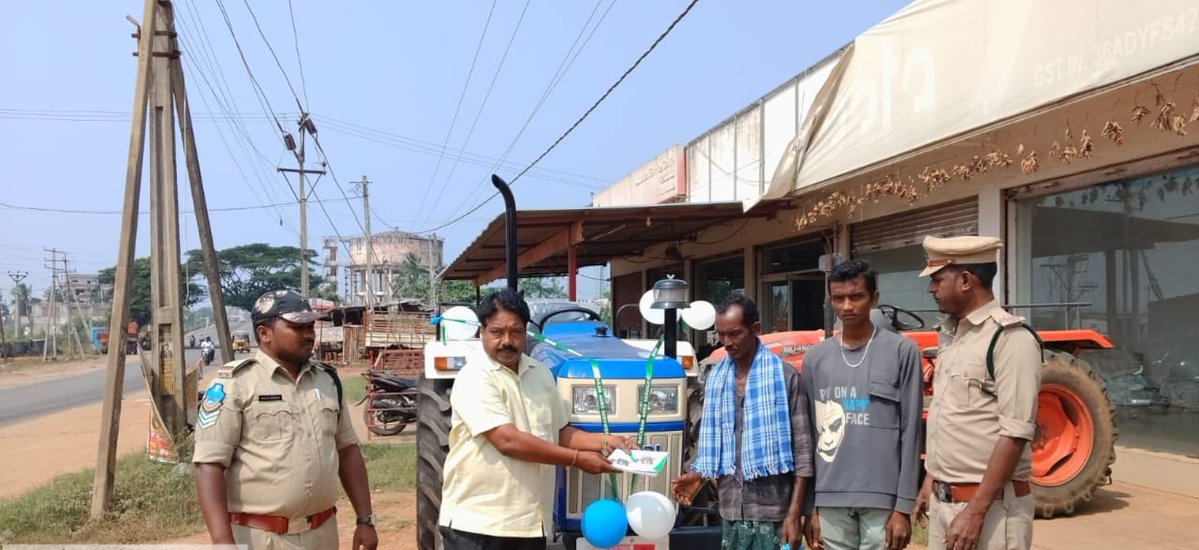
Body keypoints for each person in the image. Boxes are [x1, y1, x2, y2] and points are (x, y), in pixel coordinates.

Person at [439, 288, 636, 549]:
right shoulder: (475, 376)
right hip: (480, 524)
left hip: (530, 523)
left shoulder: (540, 373)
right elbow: (507, 441)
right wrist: (578, 460)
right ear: (482, 332)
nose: (507, 341)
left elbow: (560, 432)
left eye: (516, 331)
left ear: (525, 333)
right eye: (497, 332)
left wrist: (607, 441)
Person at [193, 289, 378, 550]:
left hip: (323, 535)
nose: (309, 334)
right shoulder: (236, 385)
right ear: (264, 334)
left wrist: (365, 519)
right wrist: (223, 542)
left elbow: (347, 451)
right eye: (297, 326)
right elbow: (208, 465)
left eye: (310, 326)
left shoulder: (327, 381)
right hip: (262, 538)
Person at [913, 236, 1040, 550]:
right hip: (947, 505)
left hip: (989, 509)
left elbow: (1015, 433)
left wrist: (976, 511)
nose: (932, 289)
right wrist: (931, 480)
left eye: (937, 279)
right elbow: (952, 417)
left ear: (966, 280)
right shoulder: (953, 336)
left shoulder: (1011, 339)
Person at [671, 293, 814, 550]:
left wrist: (796, 514)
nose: (727, 342)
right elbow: (714, 451)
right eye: (721, 335)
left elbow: (803, 453)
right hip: (731, 512)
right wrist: (697, 476)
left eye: (735, 334)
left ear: (755, 329)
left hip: (775, 514)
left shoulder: (784, 377)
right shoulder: (716, 380)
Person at [800, 261, 923, 550]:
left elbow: (911, 433)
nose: (847, 306)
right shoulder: (815, 359)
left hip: (883, 501)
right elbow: (808, 437)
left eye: (856, 297)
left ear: (874, 298)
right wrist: (811, 508)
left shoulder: (902, 352)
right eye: (838, 298)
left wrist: (903, 507)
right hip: (829, 500)